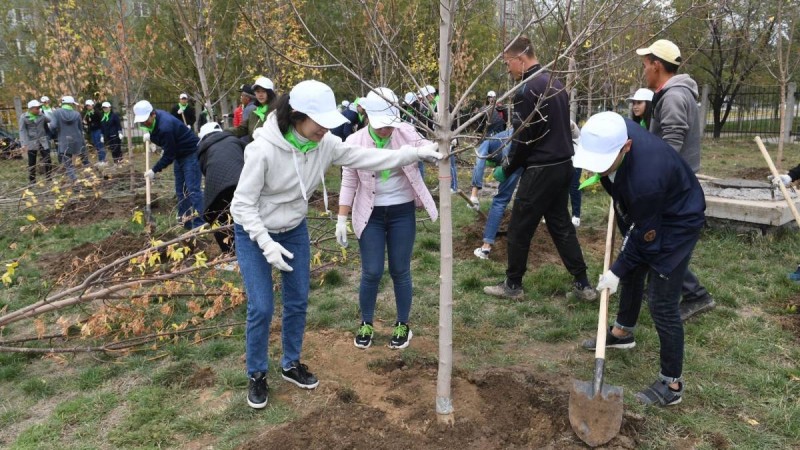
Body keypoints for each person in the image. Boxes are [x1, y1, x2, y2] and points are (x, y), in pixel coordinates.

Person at [230, 79, 441, 409]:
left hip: (294, 229)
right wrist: (265, 243)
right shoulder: (263, 150)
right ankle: (257, 374)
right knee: (262, 306)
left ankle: (290, 364)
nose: (326, 129)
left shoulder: (324, 144)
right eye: (320, 122)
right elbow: (241, 205)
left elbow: (364, 156)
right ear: (297, 115)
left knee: (298, 300)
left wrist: (413, 152)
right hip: (254, 232)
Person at [574, 111, 705, 406]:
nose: (599, 169)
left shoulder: (646, 179)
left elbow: (646, 234)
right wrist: (624, 262)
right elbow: (633, 218)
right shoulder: (612, 128)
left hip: (677, 223)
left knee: (661, 301)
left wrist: (617, 269)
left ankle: (671, 385)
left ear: (627, 147)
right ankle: (622, 332)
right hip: (650, 213)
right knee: (632, 269)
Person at [483, 36, 596, 301]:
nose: (508, 69)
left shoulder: (528, 89)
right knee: (561, 225)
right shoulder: (555, 84)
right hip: (563, 165)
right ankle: (583, 284)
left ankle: (513, 285)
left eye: (508, 63)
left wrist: (506, 168)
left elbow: (524, 139)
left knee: (519, 228)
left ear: (520, 60)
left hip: (542, 169)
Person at [336, 87, 438, 350]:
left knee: (400, 269)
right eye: (381, 126)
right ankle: (366, 322)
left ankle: (402, 324)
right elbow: (348, 180)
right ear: (367, 115)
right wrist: (341, 217)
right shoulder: (355, 142)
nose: (385, 131)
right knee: (371, 271)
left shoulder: (406, 133)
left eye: (389, 125)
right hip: (370, 213)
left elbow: (427, 146)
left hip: (401, 212)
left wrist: (439, 147)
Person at [637, 39, 714, 321]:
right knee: (653, 236)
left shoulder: (672, 97)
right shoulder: (672, 93)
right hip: (676, 178)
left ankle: (696, 294)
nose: (644, 70)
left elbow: (671, 143)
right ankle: (653, 287)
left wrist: (653, 180)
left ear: (657, 66)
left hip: (672, 183)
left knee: (662, 240)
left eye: (646, 65)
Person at [134, 99, 205, 230]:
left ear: (153, 114)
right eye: (141, 121)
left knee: (192, 190)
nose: (144, 123)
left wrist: (154, 170)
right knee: (180, 191)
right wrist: (152, 136)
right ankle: (185, 221)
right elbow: (160, 135)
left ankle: (200, 224)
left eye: (145, 120)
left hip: (191, 153)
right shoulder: (155, 120)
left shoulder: (165, 127)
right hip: (179, 154)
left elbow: (169, 155)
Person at [470, 129, 523, 259]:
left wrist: (474, 195)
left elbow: (479, 163)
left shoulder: (487, 143)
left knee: (500, 200)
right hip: (531, 152)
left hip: (513, 154)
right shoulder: (502, 136)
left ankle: (485, 248)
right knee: (525, 198)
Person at [197, 121, 245, 258]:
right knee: (247, 214)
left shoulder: (202, 151)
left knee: (218, 218)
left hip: (218, 190)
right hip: (243, 183)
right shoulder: (235, 141)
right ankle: (252, 249)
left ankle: (230, 254)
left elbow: (205, 172)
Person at [50, 96, 86, 181]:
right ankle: (89, 177)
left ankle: (74, 180)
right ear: (71, 104)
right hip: (77, 139)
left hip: (64, 140)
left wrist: (56, 130)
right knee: (84, 160)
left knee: (67, 162)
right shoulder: (77, 114)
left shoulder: (57, 113)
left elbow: (53, 126)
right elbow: (80, 128)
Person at [230, 76, 275, 143]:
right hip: (255, 150)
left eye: (263, 91)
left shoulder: (275, 111)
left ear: (269, 93)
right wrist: (226, 132)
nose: (260, 95)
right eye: (258, 91)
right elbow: (242, 129)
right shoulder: (254, 112)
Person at [18, 99, 52, 184]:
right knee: (32, 161)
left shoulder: (41, 115)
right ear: (31, 109)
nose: (38, 110)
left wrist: (47, 110)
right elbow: (22, 131)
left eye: (39, 108)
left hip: (43, 141)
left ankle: (49, 178)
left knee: (47, 159)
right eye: (37, 108)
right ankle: (32, 180)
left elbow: (50, 120)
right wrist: (24, 144)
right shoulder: (24, 117)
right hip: (31, 142)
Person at [83, 99, 106, 165]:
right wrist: (86, 123)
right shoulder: (87, 113)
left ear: (92, 105)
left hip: (98, 130)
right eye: (87, 106)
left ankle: (103, 160)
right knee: (96, 145)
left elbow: (101, 121)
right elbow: (88, 122)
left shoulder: (97, 112)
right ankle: (100, 160)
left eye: (89, 105)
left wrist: (102, 132)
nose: (88, 107)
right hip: (92, 130)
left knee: (100, 145)